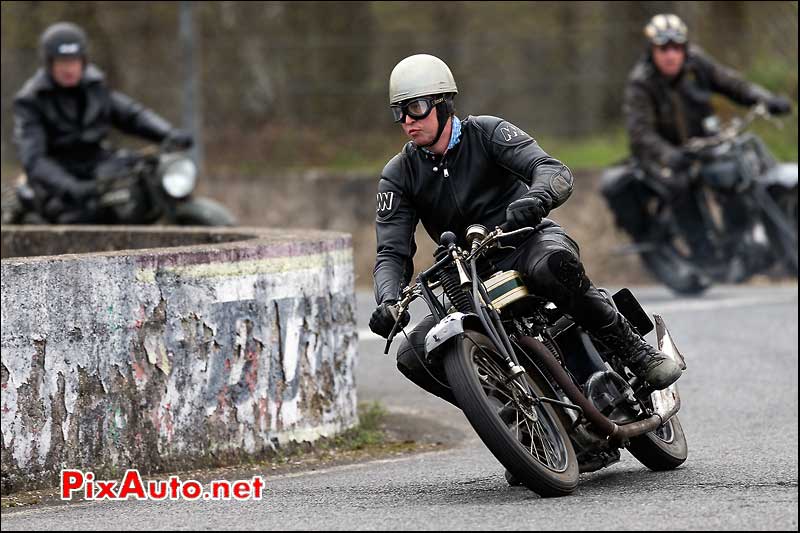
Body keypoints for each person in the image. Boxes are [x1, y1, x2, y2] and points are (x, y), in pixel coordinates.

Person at [368, 53, 682, 410]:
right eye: (400, 111)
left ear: (443, 104)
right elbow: (391, 252)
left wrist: (537, 198)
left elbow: (551, 169)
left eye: (418, 107)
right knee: (414, 353)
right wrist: (388, 300)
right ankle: (517, 419)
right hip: (467, 273)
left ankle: (635, 352)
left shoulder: (487, 132)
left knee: (553, 266)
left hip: (525, 241)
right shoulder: (399, 174)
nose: (408, 120)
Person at [623, 13, 792, 260]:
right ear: (652, 50)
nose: (671, 54)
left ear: (685, 48)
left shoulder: (697, 64)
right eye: (663, 48)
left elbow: (734, 85)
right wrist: (669, 155)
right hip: (661, 153)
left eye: (677, 47)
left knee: (737, 165)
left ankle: (742, 236)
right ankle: (704, 252)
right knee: (679, 183)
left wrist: (766, 99)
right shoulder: (641, 83)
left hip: (702, 142)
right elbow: (640, 132)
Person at [12, 21, 193, 223]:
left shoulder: (95, 87)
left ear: (83, 61)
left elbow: (132, 115)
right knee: (78, 216)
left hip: (98, 162)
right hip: (58, 175)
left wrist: (168, 133)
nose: (69, 69)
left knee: (139, 183)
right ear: (49, 63)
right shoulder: (30, 100)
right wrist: (68, 185)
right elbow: (34, 159)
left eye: (74, 61)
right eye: (62, 62)